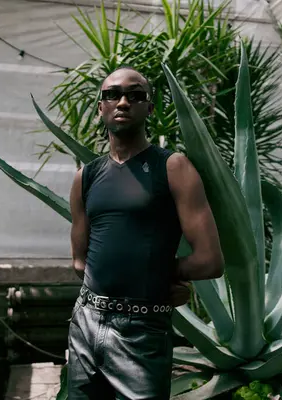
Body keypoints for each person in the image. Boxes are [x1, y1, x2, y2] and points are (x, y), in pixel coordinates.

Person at [67, 65, 224, 399]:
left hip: (141, 331)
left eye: (135, 95)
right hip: (85, 323)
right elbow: (80, 261)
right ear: (101, 107)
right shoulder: (86, 177)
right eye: (112, 94)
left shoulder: (173, 168)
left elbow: (210, 260)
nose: (123, 102)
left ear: (149, 108)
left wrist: (160, 274)